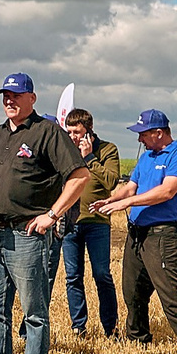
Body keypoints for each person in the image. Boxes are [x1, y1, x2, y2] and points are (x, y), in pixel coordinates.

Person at [0, 73, 91, 354]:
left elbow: (79, 176)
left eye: (16, 95)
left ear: (32, 98)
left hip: (27, 235)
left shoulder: (47, 133)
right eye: (5, 96)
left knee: (33, 312)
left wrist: (52, 214)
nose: (9, 100)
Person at [98, 109, 177, 354]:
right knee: (132, 290)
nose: (139, 139)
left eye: (143, 134)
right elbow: (130, 187)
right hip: (137, 234)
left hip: (162, 235)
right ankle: (137, 340)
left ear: (158, 132)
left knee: (171, 292)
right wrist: (111, 200)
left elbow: (167, 191)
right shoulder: (146, 158)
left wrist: (128, 202)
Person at [61, 109, 126, 337]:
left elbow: (111, 182)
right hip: (70, 222)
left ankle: (111, 327)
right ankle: (78, 326)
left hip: (97, 222)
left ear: (89, 130)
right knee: (73, 276)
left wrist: (89, 158)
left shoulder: (107, 150)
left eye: (77, 132)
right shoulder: (66, 151)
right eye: (69, 132)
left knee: (101, 274)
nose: (72, 137)